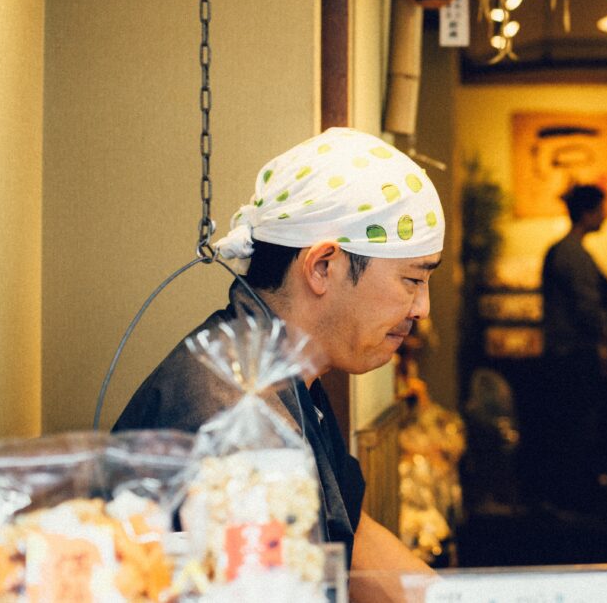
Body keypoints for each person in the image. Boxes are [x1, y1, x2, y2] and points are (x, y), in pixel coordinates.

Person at [114, 127, 442, 582]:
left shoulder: (285, 371)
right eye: (413, 280)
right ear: (323, 266)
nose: (423, 309)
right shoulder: (238, 413)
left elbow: (353, 536)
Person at [529, 184, 607, 507]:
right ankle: (574, 499)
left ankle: (566, 496)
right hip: (573, 355)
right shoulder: (573, 254)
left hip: (562, 353)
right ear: (589, 212)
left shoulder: (562, 250)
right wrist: (605, 345)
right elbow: (587, 307)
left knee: (566, 426)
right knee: (576, 428)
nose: (605, 215)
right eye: (601, 209)